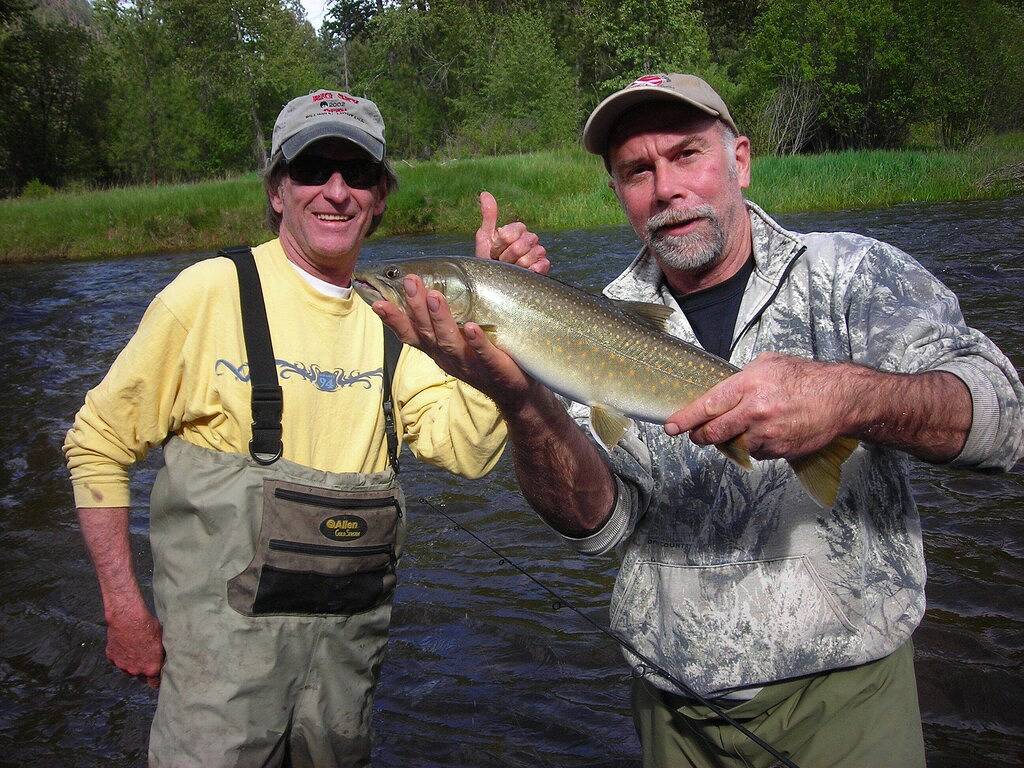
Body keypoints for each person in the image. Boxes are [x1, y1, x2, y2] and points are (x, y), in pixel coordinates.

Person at [371, 74, 1024, 767]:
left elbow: (1005, 424)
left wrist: (854, 398)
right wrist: (520, 398)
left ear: (739, 159)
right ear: (618, 192)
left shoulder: (854, 276)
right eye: (637, 171)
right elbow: (595, 523)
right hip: (673, 718)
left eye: (687, 155)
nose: (666, 188)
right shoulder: (589, 321)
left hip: (849, 707)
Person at [63, 87, 548, 768]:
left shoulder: (399, 318)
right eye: (313, 167)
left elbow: (466, 450)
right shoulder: (207, 293)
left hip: (342, 692)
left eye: (358, 173)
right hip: (215, 695)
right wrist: (124, 608)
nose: (336, 190)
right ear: (277, 190)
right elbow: (97, 447)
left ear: (381, 196)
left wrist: (503, 324)